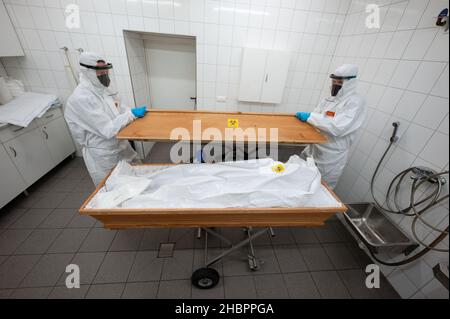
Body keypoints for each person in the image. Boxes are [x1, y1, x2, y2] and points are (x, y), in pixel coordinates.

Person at [64, 52, 147, 186]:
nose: (104, 73)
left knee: (136, 172)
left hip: (120, 143)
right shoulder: (82, 98)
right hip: (103, 151)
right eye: (100, 70)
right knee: (116, 185)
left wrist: (131, 113)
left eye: (105, 69)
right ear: (87, 71)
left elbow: (119, 109)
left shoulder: (103, 90)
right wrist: (131, 114)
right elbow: (107, 129)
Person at [295, 64, 366, 189]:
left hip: (331, 155)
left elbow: (338, 127)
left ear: (350, 82)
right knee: (301, 180)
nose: (335, 84)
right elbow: (316, 118)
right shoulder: (328, 100)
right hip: (314, 148)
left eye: (339, 81)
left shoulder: (355, 102)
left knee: (321, 187)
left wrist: (310, 117)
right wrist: (308, 120)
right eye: (334, 80)